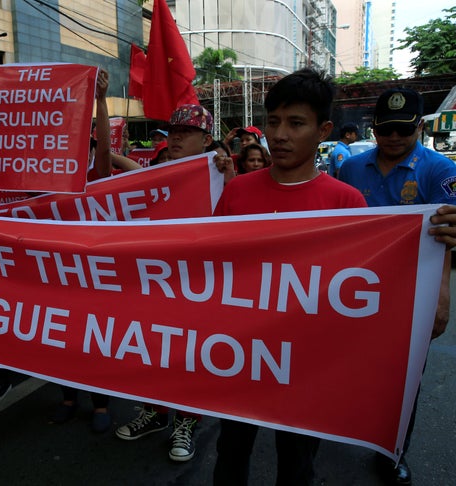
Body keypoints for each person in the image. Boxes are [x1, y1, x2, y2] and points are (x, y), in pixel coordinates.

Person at [212, 68, 367, 485]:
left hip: (307, 366)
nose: (279, 135)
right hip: (238, 358)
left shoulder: (347, 203)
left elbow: (361, 289)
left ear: (323, 130)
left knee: (297, 464)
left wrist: (431, 238)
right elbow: (209, 267)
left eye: (296, 123)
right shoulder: (238, 192)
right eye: (273, 122)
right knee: (230, 454)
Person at [339, 87, 456, 486]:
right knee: (345, 365)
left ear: (419, 127)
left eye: (403, 131)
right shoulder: (352, 169)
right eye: (386, 129)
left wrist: (442, 297)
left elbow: (447, 241)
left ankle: (393, 451)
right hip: (356, 289)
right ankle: (338, 425)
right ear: (375, 128)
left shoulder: (440, 172)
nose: (393, 138)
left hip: (412, 291)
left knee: (403, 377)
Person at [115, 103, 229, 462]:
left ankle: (187, 421)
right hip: (156, 284)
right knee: (153, 353)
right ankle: (155, 412)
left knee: (190, 357)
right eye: (174, 131)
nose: (177, 137)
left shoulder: (220, 174)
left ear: (206, 139)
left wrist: (229, 174)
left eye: (187, 132)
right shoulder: (159, 173)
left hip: (199, 287)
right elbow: (123, 172)